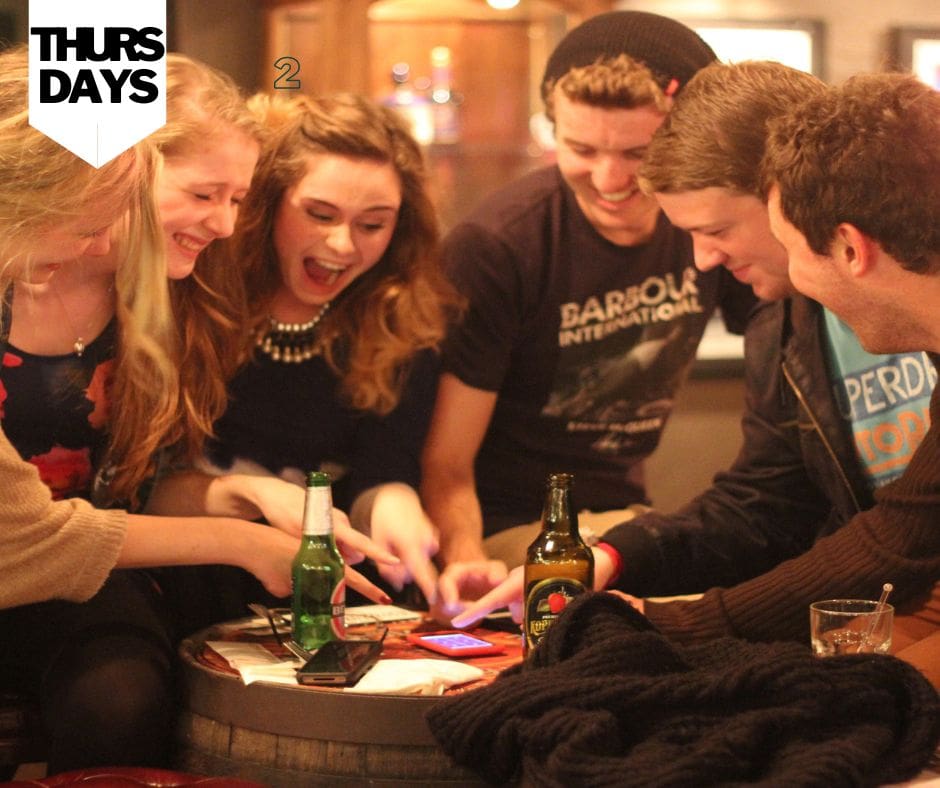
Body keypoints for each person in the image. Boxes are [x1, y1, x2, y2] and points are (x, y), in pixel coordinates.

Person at [450, 64, 940, 686]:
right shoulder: (781, 325)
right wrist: (616, 556)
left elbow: (899, 536)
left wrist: (674, 625)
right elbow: (766, 501)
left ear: (784, 198)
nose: (703, 257)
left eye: (714, 231)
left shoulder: (906, 299)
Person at [0, 47, 387, 774]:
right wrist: (236, 541)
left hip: (77, 580)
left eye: (240, 200)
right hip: (33, 553)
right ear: (124, 171)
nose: (226, 224)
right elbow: (20, 534)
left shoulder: (185, 298)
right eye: (205, 193)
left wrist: (242, 494)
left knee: (119, 691)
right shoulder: (15, 258)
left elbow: (143, 488)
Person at [422, 10, 756, 614]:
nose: (609, 179)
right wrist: (465, 554)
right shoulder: (499, 246)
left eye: (639, 153)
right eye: (580, 149)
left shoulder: (704, 220)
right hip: (510, 523)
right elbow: (446, 463)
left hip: (623, 514)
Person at [177, 91, 462, 604]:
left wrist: (394, 504)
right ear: (266, 205)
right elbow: (144, 487)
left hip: (330, 578)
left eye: (372, 224)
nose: (343, 245)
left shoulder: (398, 320)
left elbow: (384, 469)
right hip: (193, 568)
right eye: (320, 214)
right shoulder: (198, 296)